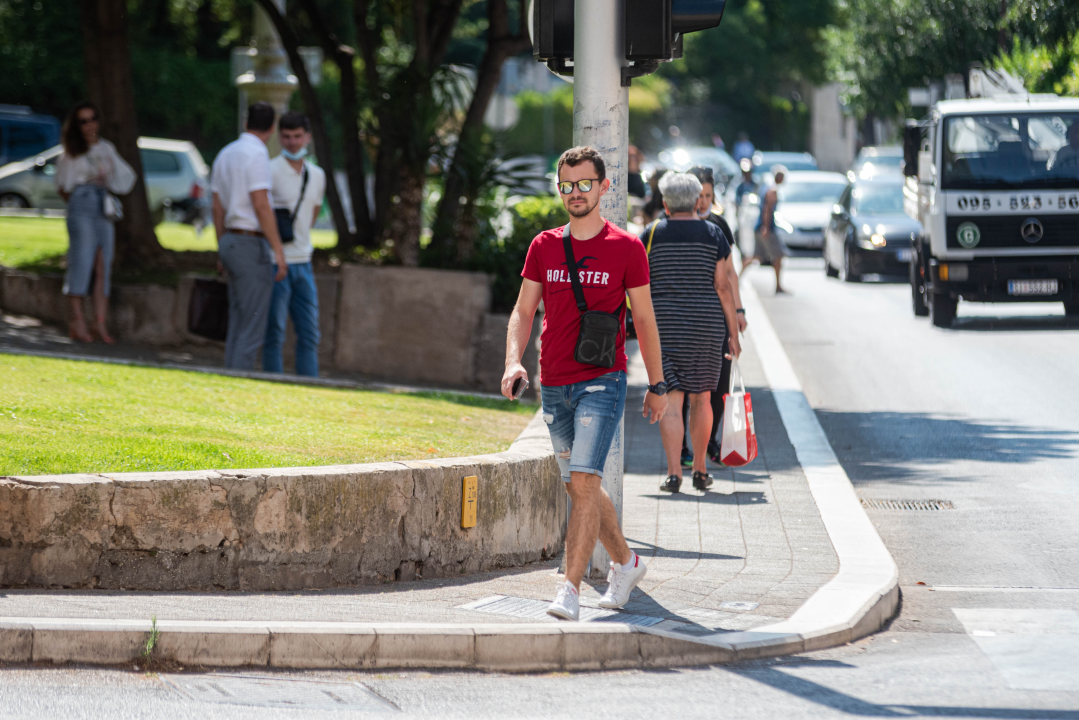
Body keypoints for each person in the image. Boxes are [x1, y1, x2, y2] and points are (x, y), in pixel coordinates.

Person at [502, 146, 669, 622]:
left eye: (584, 184)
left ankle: (569, 590)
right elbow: (523, 311)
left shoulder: (626, 248)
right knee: (582, 490)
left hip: (603, 379)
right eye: (567, 185)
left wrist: (658, 385)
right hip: (553, 383)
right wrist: (514, 362)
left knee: (584, 479)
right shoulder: (544, 245)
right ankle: (626, 563)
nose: (575, 193)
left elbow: (644, 318)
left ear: (603, 187)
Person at [643, 172, 742, 493]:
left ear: (667, 203)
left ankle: (674, 474)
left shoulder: (652, 233)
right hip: (705, 325)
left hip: (664, 326)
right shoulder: (713, 233)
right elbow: (722, 286)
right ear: (696, 199)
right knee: (702, 398)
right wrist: (733, 332)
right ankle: (700, 469)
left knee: (672, 401)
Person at [677, 166, 748, 468]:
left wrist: (739, 310)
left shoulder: (719, 226)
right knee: (680, 387)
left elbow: (729, 274)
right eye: (699, 195)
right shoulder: (673, 224)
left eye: (708, 195)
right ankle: (682, 446)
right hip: (681, 319)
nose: (703, 201)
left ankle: (710, 441)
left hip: (717, 318)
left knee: (719, 386)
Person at [211, 102, 288, 370]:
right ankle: (238, 380)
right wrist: (278, 250)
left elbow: (217, 207)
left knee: (238, 317)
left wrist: (221, 245)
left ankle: (230, 375)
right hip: (249, 241)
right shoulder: (257, 155)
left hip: (230, 240)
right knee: (253, 322)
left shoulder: (225, 153)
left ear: (246, 123)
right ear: (272, 128)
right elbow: (261, 204)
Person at [55, 101, 136, 344]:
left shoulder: (107, 148)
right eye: (83, 120)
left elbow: (123, 178)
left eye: (93, 119)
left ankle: (99, 322)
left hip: (104, 205)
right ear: (76, 125)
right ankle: (77, 321)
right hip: (81, 205)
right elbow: (63, 187)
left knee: (104, 265)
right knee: (81, 262)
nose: (89, 125)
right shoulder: (71, 152)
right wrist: (81, 200)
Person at [263, 111, 326, 377]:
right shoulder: (269, 170)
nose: (292, 142)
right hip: (276, 262)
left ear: (307, 137)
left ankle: (309, 387)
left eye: (297, 136)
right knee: (274, 333)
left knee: (310, 334)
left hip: (304, 261)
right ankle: (273, 386)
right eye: (287, 137)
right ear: (279, 137)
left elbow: (313, 213)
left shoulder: (317, 174)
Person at [741, 165, 788, 294]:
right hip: (766, 228)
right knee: (778, 255)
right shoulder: (772, 190)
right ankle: (778, 286)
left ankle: (737, 278)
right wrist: (766, 228)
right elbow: (767, 210)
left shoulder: (767, 188)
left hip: (761, 227)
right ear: (778, 177)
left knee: (756, 256)